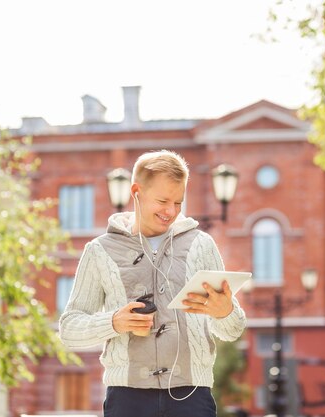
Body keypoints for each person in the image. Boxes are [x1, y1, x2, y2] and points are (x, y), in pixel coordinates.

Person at [59, 150, 246, 417]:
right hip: (126, 397)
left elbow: (233, 329)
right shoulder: (99, 250)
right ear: (136, 191)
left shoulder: (200, 245)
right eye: (162, 201)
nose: (170, 211)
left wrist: (224, 312)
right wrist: (113, 322)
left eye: (178, 203)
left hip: (192, 395)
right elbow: (69, 329)